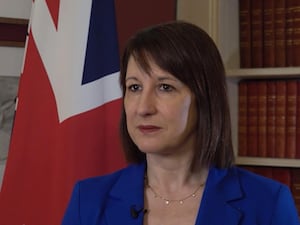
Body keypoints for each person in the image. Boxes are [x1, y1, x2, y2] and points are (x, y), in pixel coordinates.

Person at [62, 21, 300, 225]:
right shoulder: (89, 201)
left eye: (165, 87)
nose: (143, 108)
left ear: (204, 98)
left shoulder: (268, 203)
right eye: (134, 87)